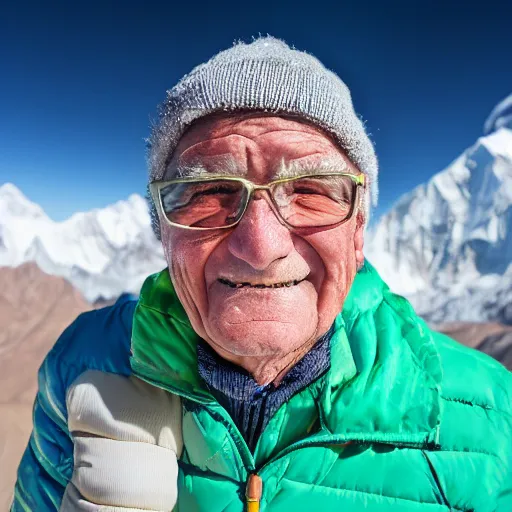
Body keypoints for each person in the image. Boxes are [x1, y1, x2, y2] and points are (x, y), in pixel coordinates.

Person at [12, 37, 512, 512]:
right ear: (164, 233)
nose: (260, 247)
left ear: (358, 232)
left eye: (312, 190)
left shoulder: (492, 421)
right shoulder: (84, 366)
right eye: (207, 193)